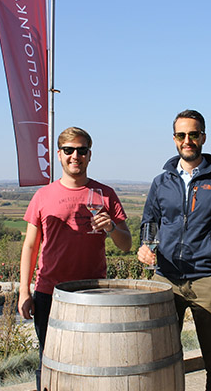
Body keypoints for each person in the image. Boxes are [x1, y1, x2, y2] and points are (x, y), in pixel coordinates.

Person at [18, 126, 132, 388]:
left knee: (92, 363)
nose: (75, 156)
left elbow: (126, 245)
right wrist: (25, 291)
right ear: (59, 155)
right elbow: (30, 246)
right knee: (49, 361)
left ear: (89, 155)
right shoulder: (42, 196)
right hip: (51, 293)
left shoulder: (105, 194)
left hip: (93, 292)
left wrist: (111, 227)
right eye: (69, 150)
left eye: (81, 150)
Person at [138, 109, 211, 391]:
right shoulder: (161, 182)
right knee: (163, 357)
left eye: (193, 134)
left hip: (208, 281)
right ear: (174, 139)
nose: (188, 140)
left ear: (203, 137)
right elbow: (150, 223)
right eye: (182, 135)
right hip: (165, 281)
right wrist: (145, 247)